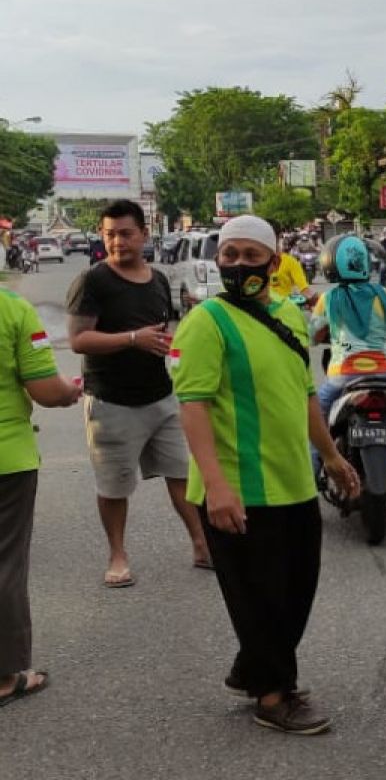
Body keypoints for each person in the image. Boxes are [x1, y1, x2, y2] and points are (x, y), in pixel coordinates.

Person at [171, 215, 359, 735]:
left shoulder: (289, 314)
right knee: (262, 598)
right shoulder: (206, 321)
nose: (237, 265)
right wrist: (216, 486)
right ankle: (274, 695)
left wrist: (335, 458)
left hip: (293, 481)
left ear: (274, 263)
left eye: (250, 256)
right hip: (238, 487)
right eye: (228, 255)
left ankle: (253, 667)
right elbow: (194, 406)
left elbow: (301, 397)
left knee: (297, 592)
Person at [66, 199, 210, 588]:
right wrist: (132, 339)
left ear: (144, 234)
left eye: (126, 233)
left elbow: (160, 333)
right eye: (110, 234)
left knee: (182, 473)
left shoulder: (159, 279)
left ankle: (201, 544)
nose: (118, 241)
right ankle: (117, 555)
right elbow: (78, 340)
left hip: (160, 396)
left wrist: (168, 342)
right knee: (114, 486)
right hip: (111, 400)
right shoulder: (93, 281)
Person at [0, 289, 82, 708]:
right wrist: (70, 391)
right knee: (5, 565)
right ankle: (4, 676)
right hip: (6, 459)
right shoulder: (12, 310)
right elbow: (46, 390)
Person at [309, 233, 386, 463]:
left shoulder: (328, 299)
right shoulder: (383, 295)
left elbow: (313, 337)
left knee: (318, 421)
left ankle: (314, 470)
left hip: (343, 375)